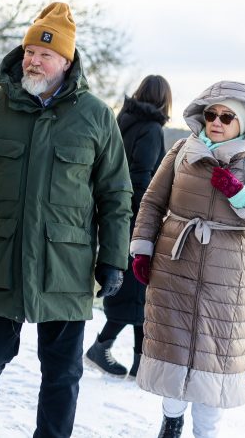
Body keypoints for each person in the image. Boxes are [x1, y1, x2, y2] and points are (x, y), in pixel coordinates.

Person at [0, 2, 133, 438]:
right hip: (1, 255)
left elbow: (115, 193)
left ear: (66, 61)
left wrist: (114, 258)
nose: (33, 60)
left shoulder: (96, 116)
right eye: (28, 51)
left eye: (44, 54)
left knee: (62, 374)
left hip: (66, 262)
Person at [130, 81, 245, 438]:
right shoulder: (182, 150)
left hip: (227, 280)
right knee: (173, 352)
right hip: (175, 267)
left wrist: (239, 195)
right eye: (211, 114)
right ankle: (171, 422)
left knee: (215, 362)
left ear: (243, 123)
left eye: (227, 116)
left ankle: (206, 433)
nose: (216, 121)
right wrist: (142, 249)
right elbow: (152, 202)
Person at [86, 74, 172, 378]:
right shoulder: (150, 129)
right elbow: (141, 176)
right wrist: (150, 215)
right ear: (164, 100)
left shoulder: (124, 120)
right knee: (137, 287)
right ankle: (103, 346)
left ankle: (140, 361)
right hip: (136, 217)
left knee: (137, 288)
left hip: (117, 213)